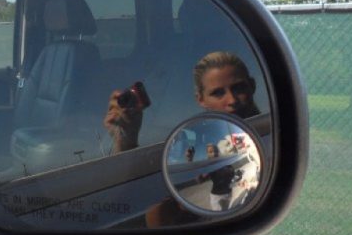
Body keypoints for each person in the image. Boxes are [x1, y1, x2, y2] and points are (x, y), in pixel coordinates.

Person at [103, 50, 259, 225]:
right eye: (218, 93)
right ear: (200, 100)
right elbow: (149, 210)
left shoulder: (269, 132)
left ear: (252, 86)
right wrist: (126, 140)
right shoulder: (193, 142)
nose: (232, 100)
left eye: (239, 88)